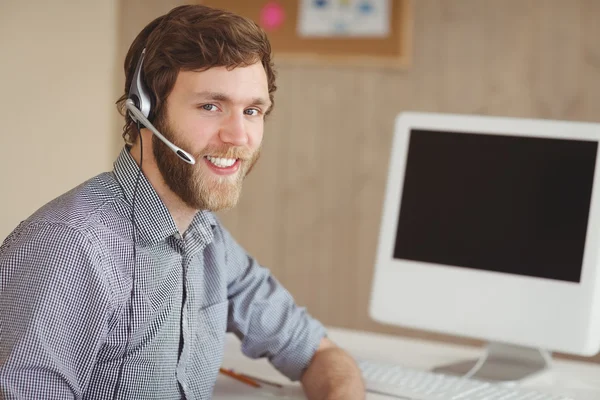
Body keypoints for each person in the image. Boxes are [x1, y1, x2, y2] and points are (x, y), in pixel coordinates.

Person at [0, 4, 365, 400]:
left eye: (252, 110)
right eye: (211, 106)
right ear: (146, 111)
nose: (239, 137)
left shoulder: (208, 240)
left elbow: (318, 352)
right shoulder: (71, 248)